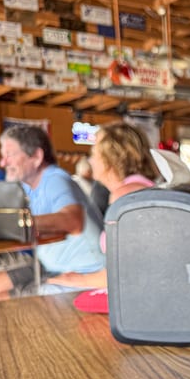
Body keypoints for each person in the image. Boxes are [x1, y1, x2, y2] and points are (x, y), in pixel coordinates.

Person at [0, 125, 106, 303]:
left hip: (84, 273)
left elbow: (73, 220)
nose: (3, 163)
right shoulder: (29, 186)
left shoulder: (54, 178)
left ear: (36, 156)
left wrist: (12, 223)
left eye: (9, 155)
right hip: (50, 266)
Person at [47, 122, 159, 291]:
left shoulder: (125, 197)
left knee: (51, 290)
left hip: (138, 292)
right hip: (140, 288)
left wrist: (81, 280)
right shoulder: (137, 189)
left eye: (93, 153)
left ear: (110, 159)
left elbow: (127, 272)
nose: (90, 160)